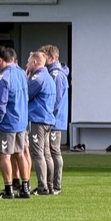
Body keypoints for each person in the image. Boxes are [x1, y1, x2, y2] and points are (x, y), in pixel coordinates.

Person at [0, 46, 30, 199]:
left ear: (1, 60)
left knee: (4, 155)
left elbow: (1, 105)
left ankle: (8, 190)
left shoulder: (2, 78)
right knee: (20, 154)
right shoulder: (21, 73)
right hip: (21, 121)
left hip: (7, 123)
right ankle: (25, 188)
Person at [26, 51, 57, 196]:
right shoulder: (49, 77)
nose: (27, 65)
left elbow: (25, 94)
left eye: (28, 62)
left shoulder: (38, 78)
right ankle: (49, 185)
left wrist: (27, 77)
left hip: (38, 119)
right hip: (48, 119)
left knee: (38, 154)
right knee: (47, 154)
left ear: (35, 63)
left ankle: (42, 186)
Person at [41, 44, 70, 195]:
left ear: (52, 58)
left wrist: (47, 114)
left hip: (54, 120)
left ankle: (56, 185)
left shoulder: (56, 75)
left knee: (54, 151)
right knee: (48, 152)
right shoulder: (51, 73)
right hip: (51, 119)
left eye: (44, 56)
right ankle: (47, 184)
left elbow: (56, 99)